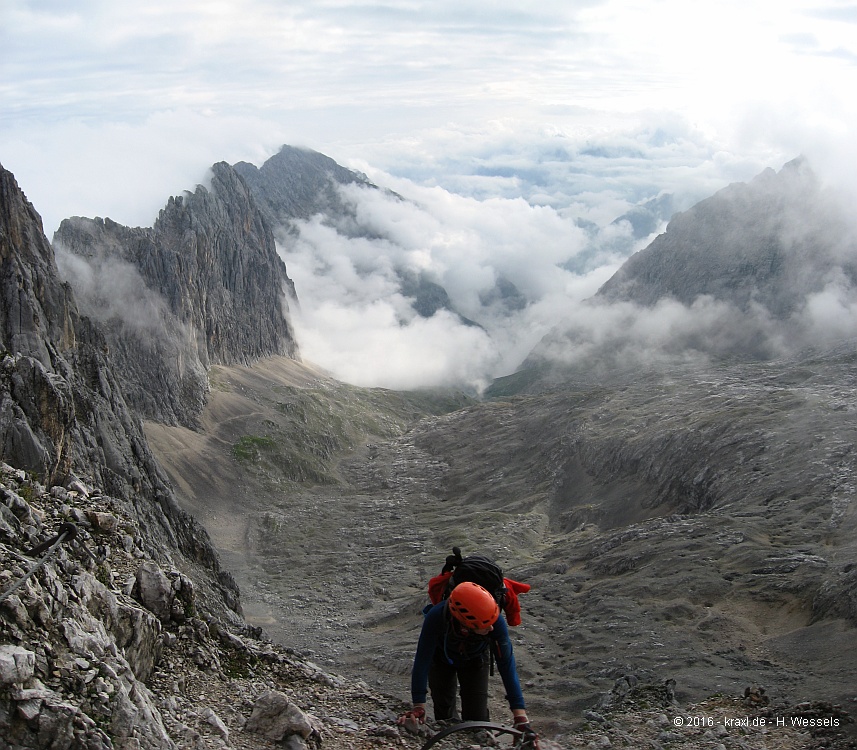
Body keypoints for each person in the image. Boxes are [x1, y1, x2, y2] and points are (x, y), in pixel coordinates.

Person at [398, 581, 540, 746]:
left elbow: (506, 665)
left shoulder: (496, 622)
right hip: (442, 658)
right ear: (467, 625)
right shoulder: (436, 617)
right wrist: (419, 706)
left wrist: (520, 717)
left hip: (476, 659)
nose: (492, 629)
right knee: (444, 714)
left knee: (478, 719)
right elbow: (423, 660)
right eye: (486, 625)